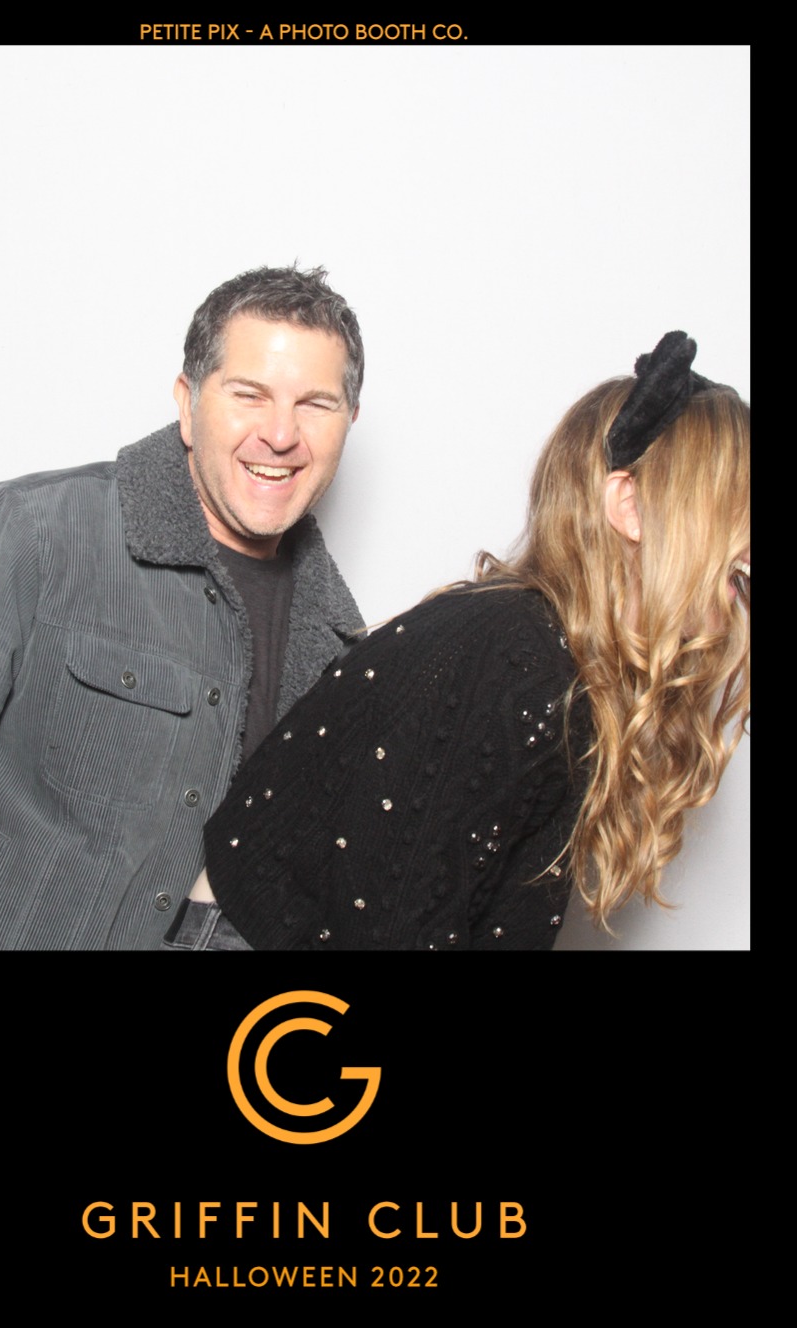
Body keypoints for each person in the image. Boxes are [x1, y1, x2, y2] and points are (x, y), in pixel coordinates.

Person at [163, 331, 750, 950]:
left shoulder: (562, 664)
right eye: (732, 506)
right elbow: (389, 926)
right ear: (628, 505)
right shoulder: (515, 658)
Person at [0, 266, 365, 950]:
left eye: (316, 405)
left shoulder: (344, 655)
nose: (280, 433)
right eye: (249, 394)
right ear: (188, 403)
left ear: (349, 422)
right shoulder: (29, 537)